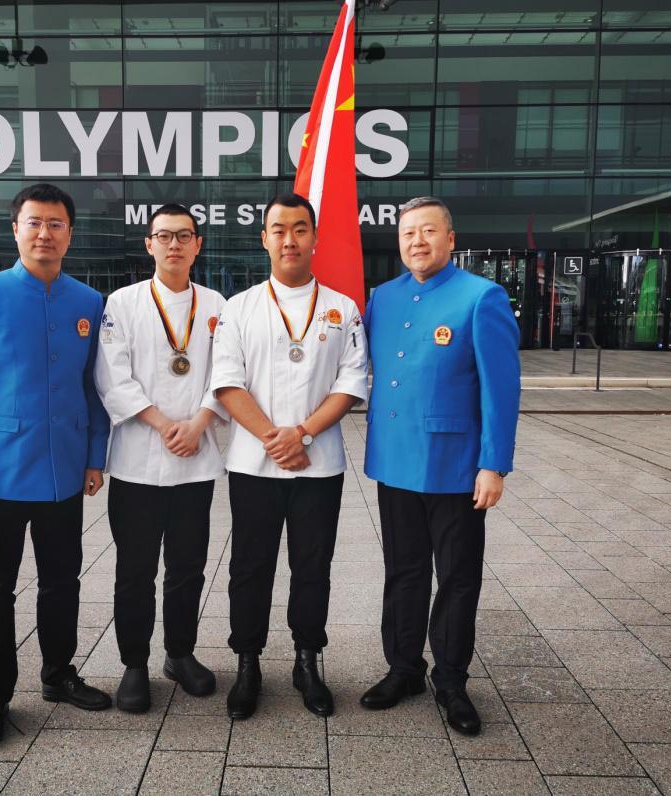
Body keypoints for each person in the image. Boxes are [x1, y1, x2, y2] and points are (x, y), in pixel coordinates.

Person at [0, 183, 112, 750]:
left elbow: (94, 387)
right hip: (2, 472)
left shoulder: (88, 302)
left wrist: (95, 456)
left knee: (62, 582)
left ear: (70, 233)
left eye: (56, 224)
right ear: (16, 229)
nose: (45, 233)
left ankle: (58, 674)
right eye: (35, 222)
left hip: (65, 469)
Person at [360, 196, 520, 736]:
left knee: (457, 577)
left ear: (450, 239)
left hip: (455, 466)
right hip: (396, 461)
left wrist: (493, 464)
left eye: (429, 231)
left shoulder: (481, 297)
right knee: (403, 571)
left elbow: (501, 390)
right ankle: (403, 668)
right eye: (408, 233)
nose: (417, 242)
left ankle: (451, 680)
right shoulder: (382, 298)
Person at [210, 193, 368, 719]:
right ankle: (247, 663)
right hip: (253, 465)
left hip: (318, 464)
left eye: (300, 229)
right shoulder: (239, 308)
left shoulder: (342, 309)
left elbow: (351, 383)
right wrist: (273, 438)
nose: (290, 240)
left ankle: (307, 661)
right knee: (249, 567)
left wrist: (301, 434)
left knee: (313, 566)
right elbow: (226, 383)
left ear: (315, 238)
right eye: (279, 229)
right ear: (265, 239)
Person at [94, 204, 226, 713]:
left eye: (184, 236)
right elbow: (112, 377)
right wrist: (163, 424)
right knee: (135, 570)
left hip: (195, 458)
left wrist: (199, 422)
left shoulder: (216, 304)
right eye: (164, 236)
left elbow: (226, 373)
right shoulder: (122, 303)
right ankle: (134, 663)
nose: (174, 244)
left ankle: (180, 653)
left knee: (188, 567)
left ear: (198, 245)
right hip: (138, 462)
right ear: (149, 244)